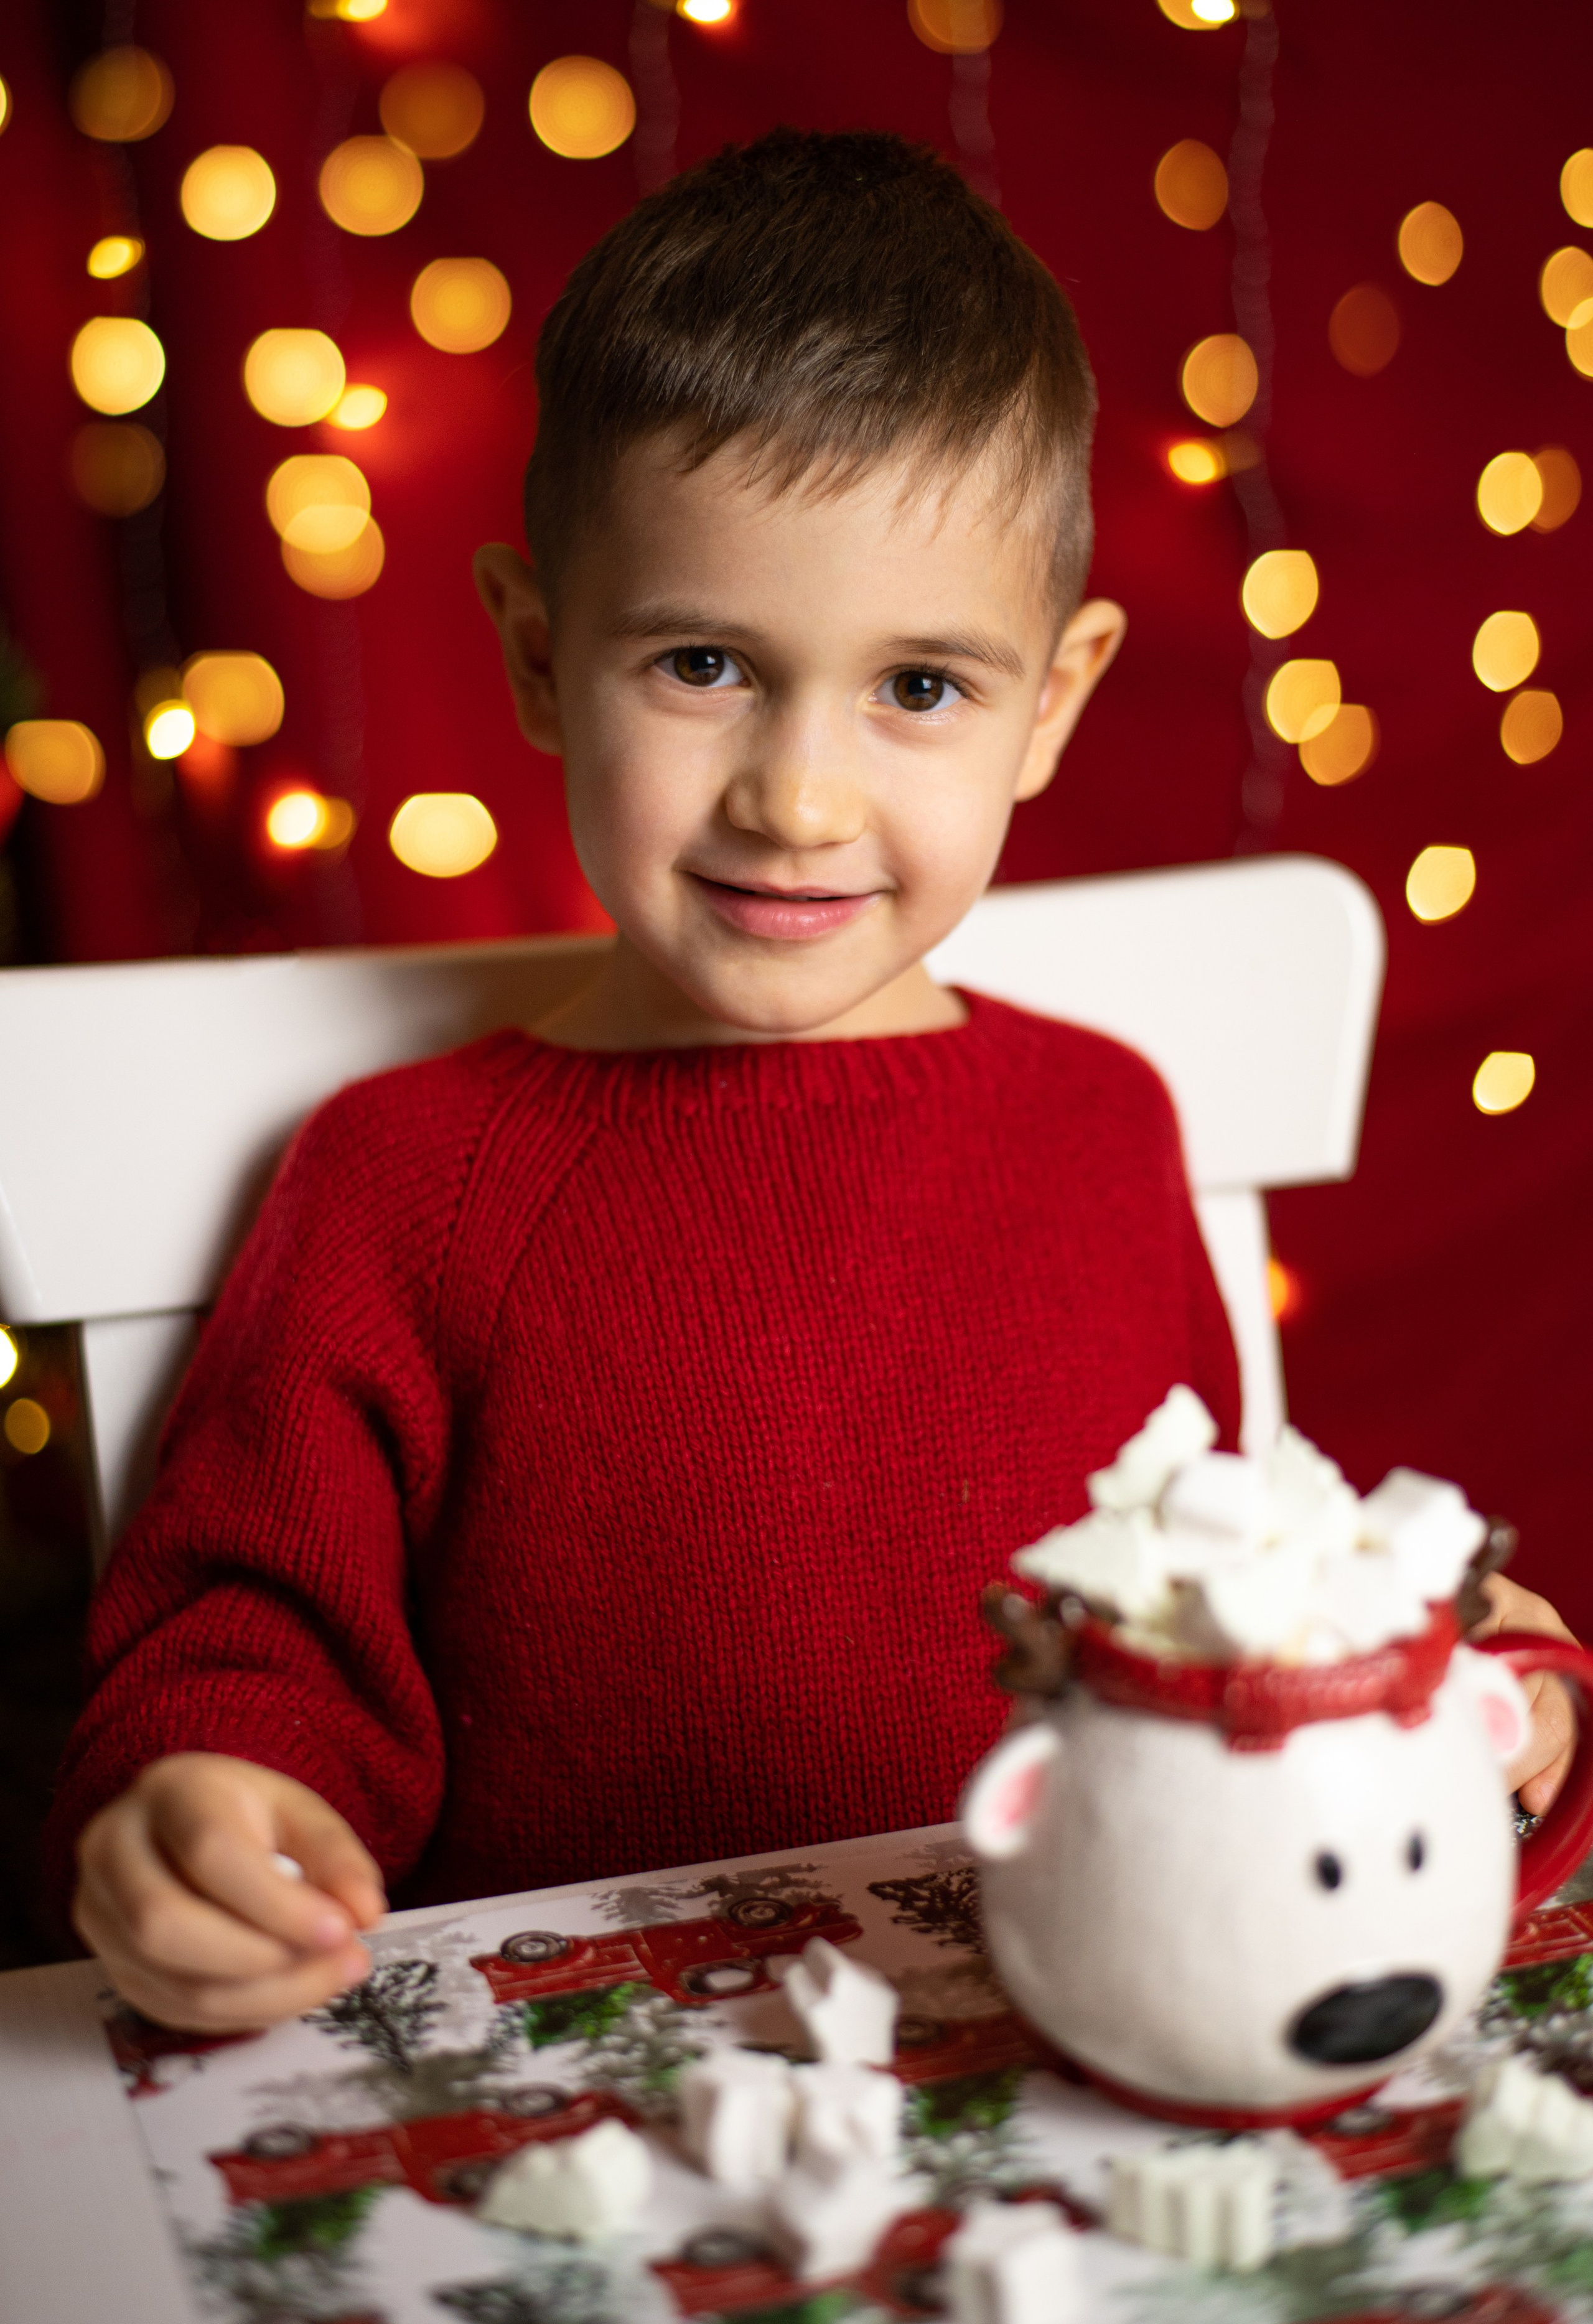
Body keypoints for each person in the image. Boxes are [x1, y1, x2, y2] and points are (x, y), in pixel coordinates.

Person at [47, 131, 1576, 2035]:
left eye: (920, 687)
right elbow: (252, 1638)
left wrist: (1434, 1672)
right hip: (594, 2095)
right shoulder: (399, 1178)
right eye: (705, 662)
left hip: (1064, 2059)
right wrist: (212, 1806)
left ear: (1058, 701)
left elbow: (1219, 1579)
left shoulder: (1105, 1129)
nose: (798, 797)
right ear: (539, 655)